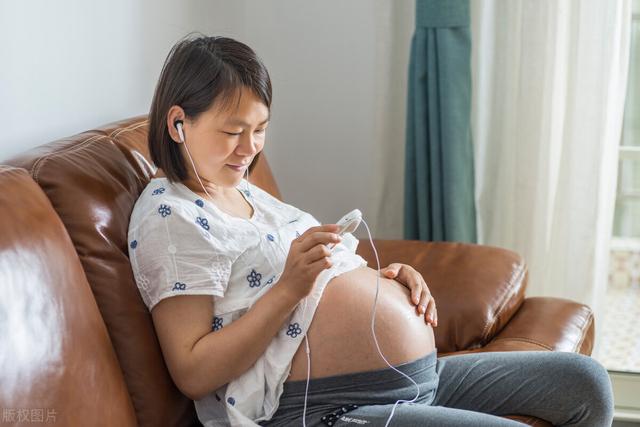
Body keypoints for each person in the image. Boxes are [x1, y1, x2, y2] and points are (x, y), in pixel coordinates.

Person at [128, 33, 615, 427]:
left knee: (585, 382)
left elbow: (316, 284)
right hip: (323, 408)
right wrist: (288, 289)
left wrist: (387, 280)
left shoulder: (243, 189)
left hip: (411, 376)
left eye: (260, 129)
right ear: (178, 124)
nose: (250, 148)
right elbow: (193, 372)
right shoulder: (172, 218)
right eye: (233, 132)